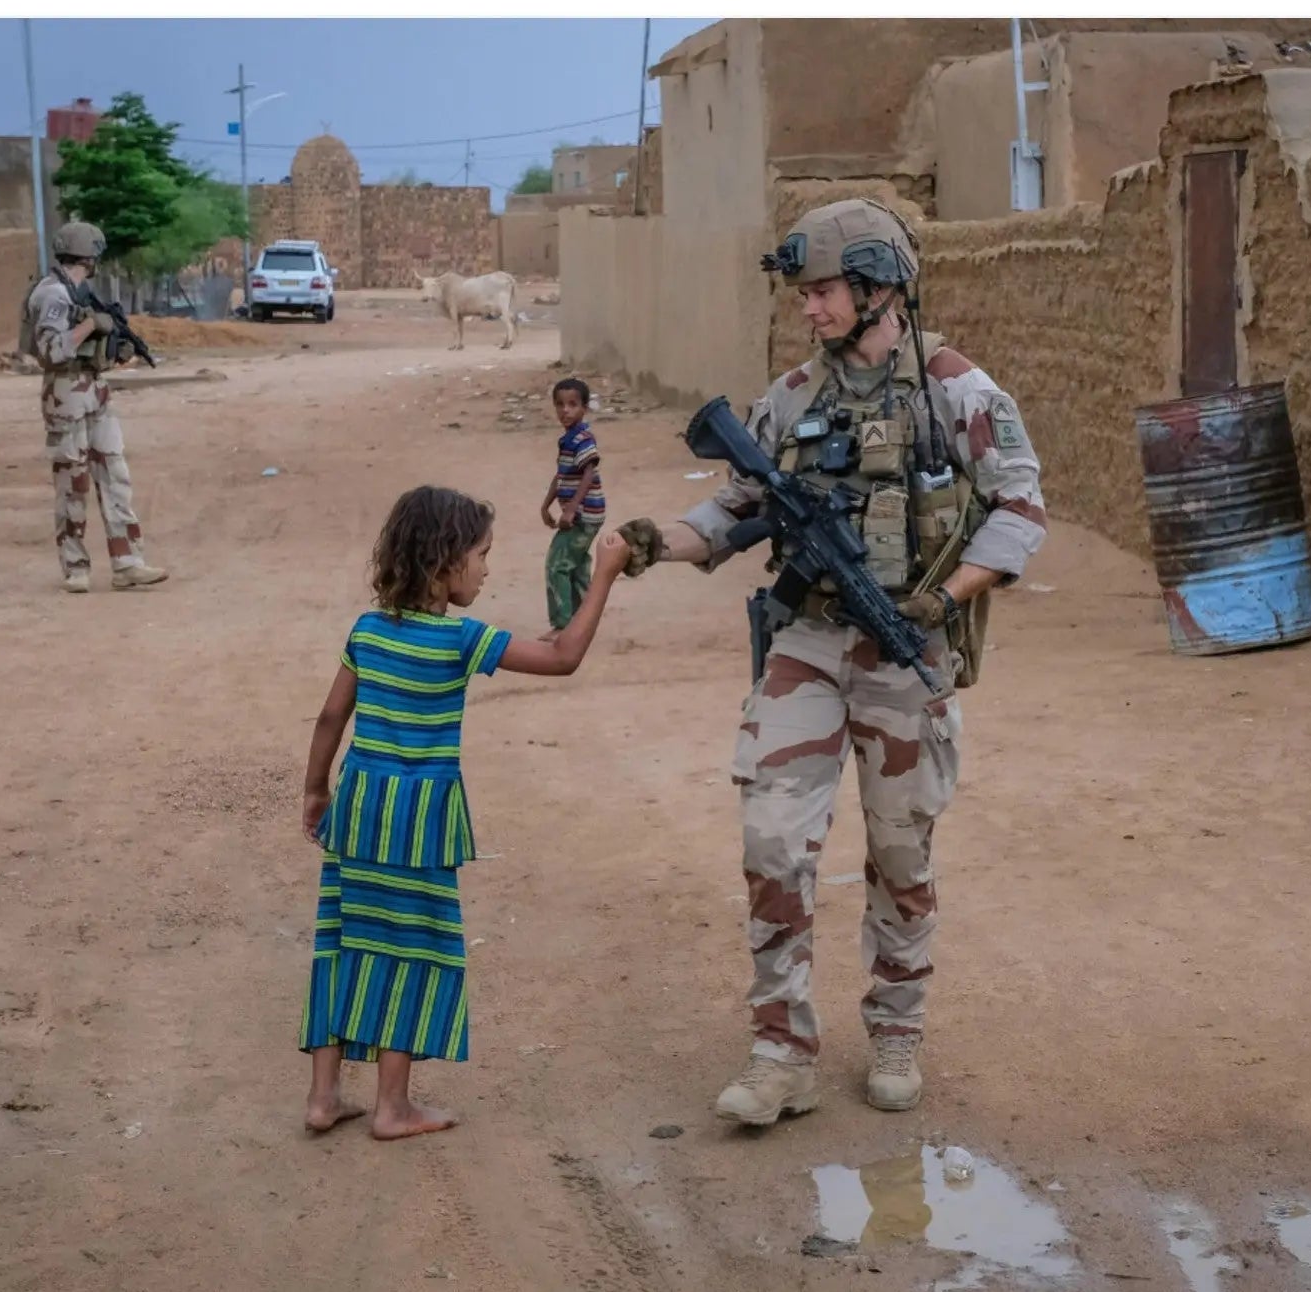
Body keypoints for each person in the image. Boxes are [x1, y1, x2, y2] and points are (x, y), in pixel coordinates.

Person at [614, 198, 1047, 1127]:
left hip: (906, 649)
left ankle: (897, 1026)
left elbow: (1020, 510)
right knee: (772, 842)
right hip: (806, 643)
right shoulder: (790, 399)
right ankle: (781, 1053)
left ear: (879, 287)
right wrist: (661, 540)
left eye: (822, 293)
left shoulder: (956, 391)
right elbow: (733, 509)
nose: (808, 310)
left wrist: (948, 596)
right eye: (802, 293)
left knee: (901, 853)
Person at [297, 485, 631, 1141]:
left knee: (346, 936)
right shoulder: (460, 640)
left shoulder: (366, 630)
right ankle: (392, 1107)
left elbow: (333, 714)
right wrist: (605, 576)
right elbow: (563, 659)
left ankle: (323, 1096)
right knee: (412, 946)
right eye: (480, 555)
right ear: (443, 563)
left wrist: (316, 789)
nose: (486, 568)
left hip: (360, 804)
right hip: (419, 819)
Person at [25, 220, 168, 595]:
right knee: (73, 483)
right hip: (65, 394)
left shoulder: (80, 291)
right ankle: (75, 568)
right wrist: (90, 326)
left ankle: (127, 562)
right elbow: (51, 350)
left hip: (94, 389)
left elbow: (91, 342)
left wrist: (113, 346)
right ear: (88, 255)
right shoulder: (52, 294)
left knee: (115, 475)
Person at [538, 376, 606, 630]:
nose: (565, 410)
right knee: (576, 566)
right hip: (583, 514)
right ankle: (583, 621)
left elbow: (588, 473)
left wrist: (570, 509)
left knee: (557, 565)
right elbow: (562, 475)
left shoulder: (583, 439)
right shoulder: (567, 439)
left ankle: (562, 626)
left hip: (584, 515)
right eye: (560, 404)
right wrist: (546, 505)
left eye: (572, 404)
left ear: (584, 408)